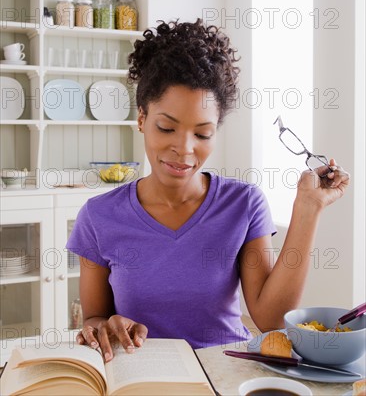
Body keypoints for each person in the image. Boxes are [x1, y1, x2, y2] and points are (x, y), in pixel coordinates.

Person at [67, 19, 350, 362]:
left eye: (202, 134)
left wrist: (308, 209)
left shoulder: (243, 204)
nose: (184, 149)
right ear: (142, 118)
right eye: (167, 127)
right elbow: (94, 319)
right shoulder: (99, 216)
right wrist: (105, 325)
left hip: (227, 372)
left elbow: (270, 320)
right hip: (141, 376)